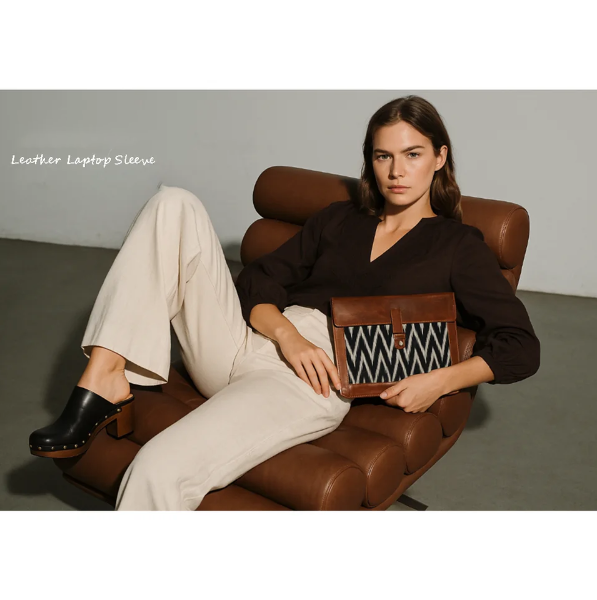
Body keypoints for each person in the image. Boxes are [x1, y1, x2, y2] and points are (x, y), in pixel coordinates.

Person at [29, 95, 541, 510]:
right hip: (252, 340)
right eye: (384, 156)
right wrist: (286, 335)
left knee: (157, 469)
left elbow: (519, 347)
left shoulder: (458, 246)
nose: (397, 171)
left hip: (308, 381)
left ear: (440, 157)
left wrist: (441, 379)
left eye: (413, 154)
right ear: (370, 160)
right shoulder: (340, 220)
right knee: (173, 203)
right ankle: (104, 376)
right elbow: (258, 283)